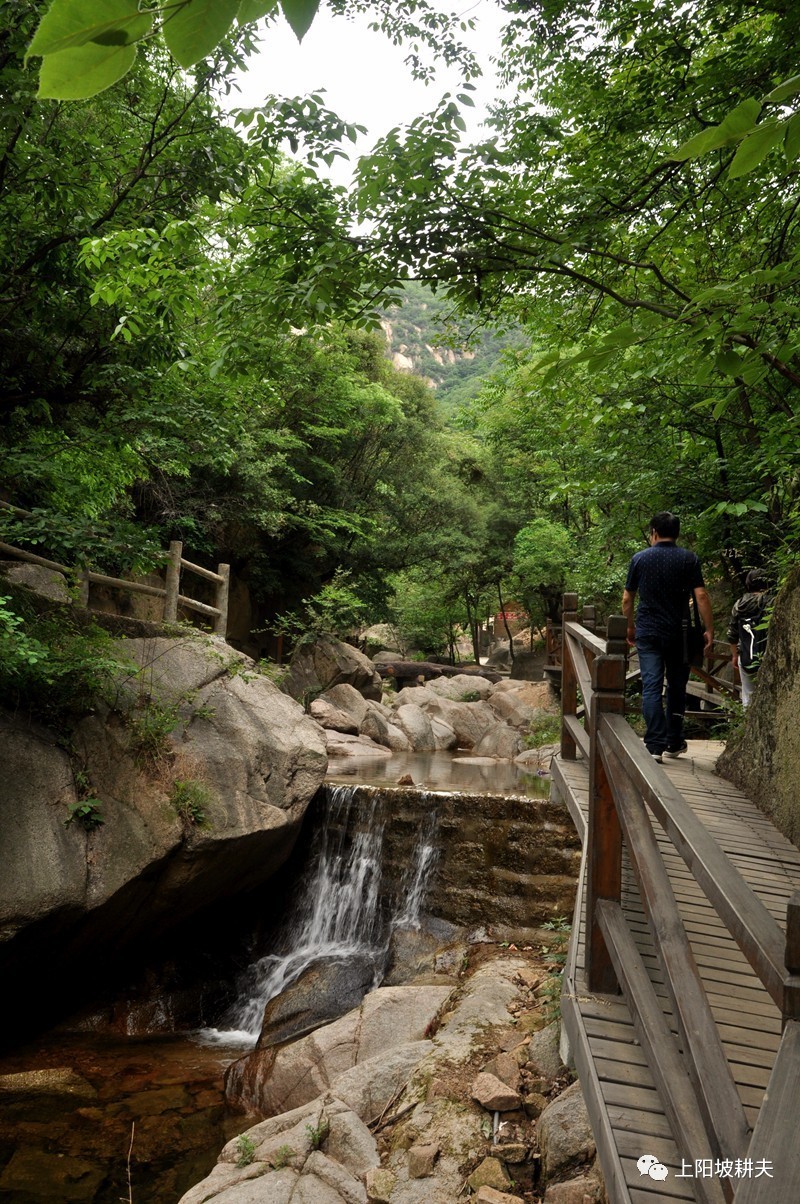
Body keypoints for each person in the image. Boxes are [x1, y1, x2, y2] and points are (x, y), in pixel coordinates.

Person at [622, 512, 714, 763]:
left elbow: (627, 598)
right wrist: (709, 629)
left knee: (651, 686)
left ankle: (654, 745)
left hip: (649, 632)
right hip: (680, 634)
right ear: (677, 533)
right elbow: (702, 596)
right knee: (676, 687)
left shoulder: (639, 559)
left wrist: (629, 627)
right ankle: (674, 742)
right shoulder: (689, 559)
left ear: (653, 532)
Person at [727, 570, 773, 708]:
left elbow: (732, 634)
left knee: (748, 696)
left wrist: (735, 655)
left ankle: (749, 726)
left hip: (746, 655)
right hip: (768, 655)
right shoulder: (771, 602)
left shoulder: (739, 605)